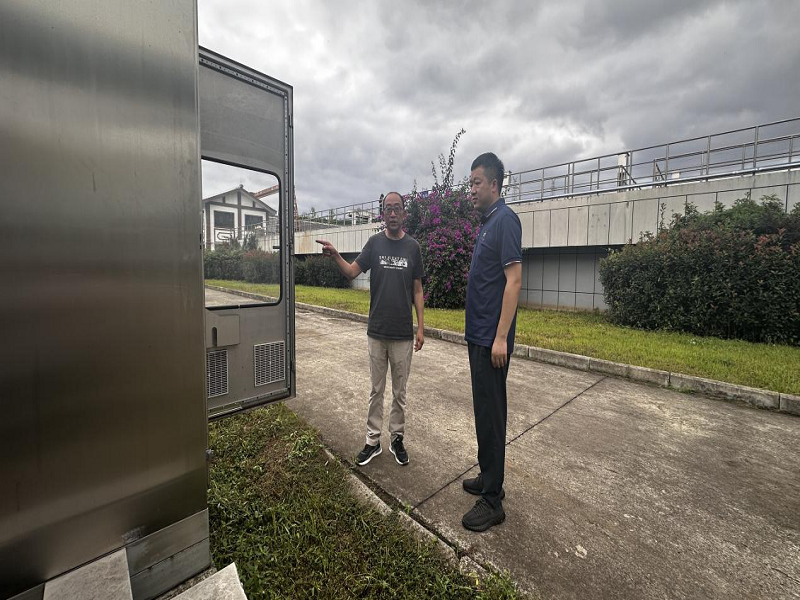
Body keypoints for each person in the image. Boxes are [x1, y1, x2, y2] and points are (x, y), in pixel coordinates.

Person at [316, 192, 425, 467]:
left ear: (404, 213)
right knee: (376, 390)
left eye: (397, 208)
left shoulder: (413, 247)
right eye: (388, 208)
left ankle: (397, 439)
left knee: (400, 393)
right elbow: (352, 271)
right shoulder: (374, 243)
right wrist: (336, 255)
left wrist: (421, 328)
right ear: (383, 213)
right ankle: (373, 441)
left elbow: (417, 289)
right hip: (377, 331)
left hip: (402, 334)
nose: (392, 213)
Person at [460, 152, 522, 532]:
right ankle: (488, 476)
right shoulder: (487, 224)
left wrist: (500, 337)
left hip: (491, 340)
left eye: (476, 183)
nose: (471, 190)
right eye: (470, 183)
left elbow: (514, 281)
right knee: (483, 412)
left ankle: (493, 501)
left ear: (494, 184)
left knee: (493, 416)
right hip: (479, 336)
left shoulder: (505, 221)